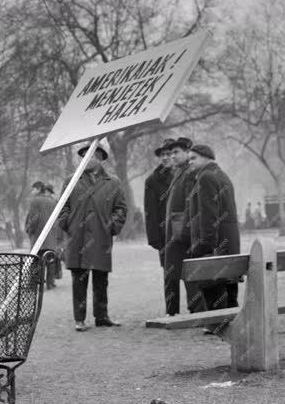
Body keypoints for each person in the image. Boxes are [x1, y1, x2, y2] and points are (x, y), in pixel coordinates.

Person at [58, 140, 127, 331]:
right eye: (82, 156)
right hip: (77, 238)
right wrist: (69, 225)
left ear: (99, 158)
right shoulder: (71, 180)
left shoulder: (113, 182)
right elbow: (62, 208)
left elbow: (121, 208)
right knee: (79, 281)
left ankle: (102, 317)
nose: (84, 159)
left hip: (100, 238)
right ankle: (79, 319)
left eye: (89, 156)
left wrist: (110, 226)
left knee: (101, 280)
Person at [186, 145, 240, 319]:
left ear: (206, 157)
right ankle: (231, 320)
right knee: (228, 283)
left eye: (193, 158)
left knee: (213, 284)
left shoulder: (205, 177)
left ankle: (217, 323)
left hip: (214, 243)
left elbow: (208, 214)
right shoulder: (222, 175)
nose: (190, 162)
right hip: (229, 241)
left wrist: (204, 245)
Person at [163, 137, 200, 315]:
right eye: (171, 153)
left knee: (188, 273)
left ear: (187, 153)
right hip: (173, 233)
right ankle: (172, 311)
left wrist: (185, 232)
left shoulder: (190, 173)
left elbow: (190, 204)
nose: (172, 156)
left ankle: (196, 311)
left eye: (176, 152)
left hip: (183, 233)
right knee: (171, 274)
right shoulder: (178, 173)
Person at [144, 138, 176, 267]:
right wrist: (154, 238)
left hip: (186, 234)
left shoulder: (188, 175)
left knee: (190, 276)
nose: (165, 158)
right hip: (165, 236)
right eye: (162, 155)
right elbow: (150, 212)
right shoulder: (152, 181)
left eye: (168, 154)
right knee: (170, 277)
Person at [25, 181, 60, 290]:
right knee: (50, 261)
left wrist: (29, 230)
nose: (32, 191)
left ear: (39, 188)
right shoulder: (52, 201)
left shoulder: (34, 201)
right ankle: (50, 283)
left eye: (33, 188)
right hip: (51, 237)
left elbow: (33, 219)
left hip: (39, 237)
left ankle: (33, 285)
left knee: (35, 261)